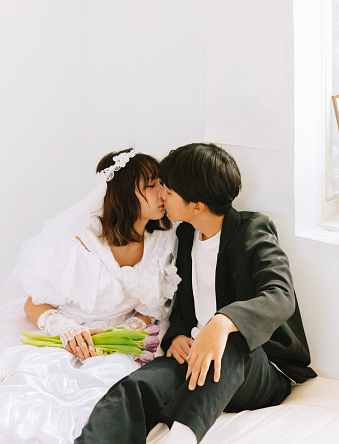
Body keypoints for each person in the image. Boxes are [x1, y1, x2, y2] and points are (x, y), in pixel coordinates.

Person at [76, 143, 317, 444]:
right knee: (136, 388)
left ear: (197, 205)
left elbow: (280, 295)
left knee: (230, 341)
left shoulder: (251, 230)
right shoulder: (185, 234)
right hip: (197, 358)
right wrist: (176, 336)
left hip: (260, 366)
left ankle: (181, 437)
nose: (161, 194)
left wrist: (223, 322)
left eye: (169, 190)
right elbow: (180, 305)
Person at [0, 148, 181, 443]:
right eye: (150, 185)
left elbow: (153, 307)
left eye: (161, 182)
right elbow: (33, 302)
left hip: (116, 343)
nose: (161, 192)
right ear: (123, 192)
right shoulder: (79, 241)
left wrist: (124, 332)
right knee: (32, 392)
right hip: (65, 335)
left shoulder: (164, 239)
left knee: (109, 395)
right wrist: (69, 331)